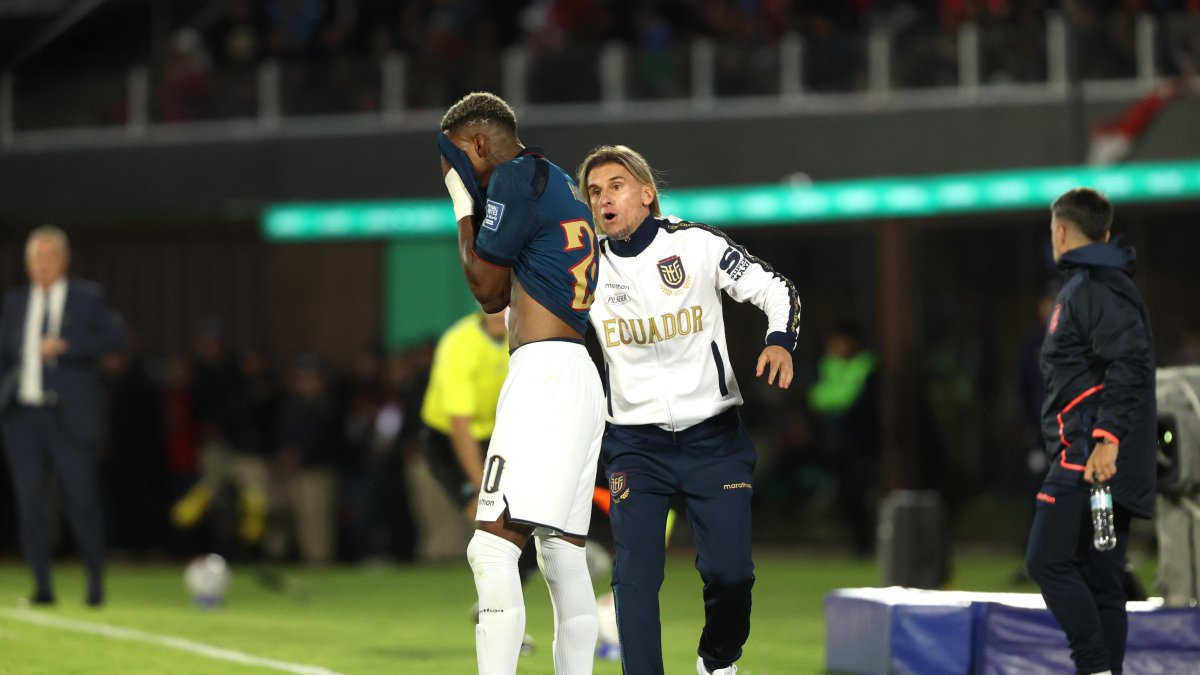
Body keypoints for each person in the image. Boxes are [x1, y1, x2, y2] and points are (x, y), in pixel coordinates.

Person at [577, 145, 801, 675]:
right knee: (634, 577)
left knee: (731, 575)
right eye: (593, 192)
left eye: (615, 185)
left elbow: (776, 290)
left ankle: (718, 658)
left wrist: (779, 341)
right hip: (634, 445)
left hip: (713, 438)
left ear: (646, 192)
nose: (603, 198)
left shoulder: (697, 244)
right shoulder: (584, 269)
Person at [438, 91, 604, 674]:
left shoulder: (513, 178)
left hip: (544, 375)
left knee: (489, 549)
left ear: (480, 143)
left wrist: (462, 199)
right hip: (580, 374)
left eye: (459, 157)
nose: (458, 169)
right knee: (561, 554)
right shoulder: (553, 179)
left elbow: (487, 291)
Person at [1025, 188, 1156, 675]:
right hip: (1098, 460)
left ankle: (1095, 666)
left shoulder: (1095, 287)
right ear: (1104, 230)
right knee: (1103, 584)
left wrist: (1107, 439)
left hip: (1087, 459)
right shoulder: (1100, 282)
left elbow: (1130, 364)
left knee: (1046, 561)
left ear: (1061, 231)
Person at [0, 225, 127, 606]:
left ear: (64, 260)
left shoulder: (88, 298)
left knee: (82, 502)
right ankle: (42, 588)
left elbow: (115, 340)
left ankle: (94, 586)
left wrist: (67, 346)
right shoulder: (15, 303)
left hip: (70, 418)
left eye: (49, 256)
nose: (42, 264)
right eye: (35, 257)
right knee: (31, 506)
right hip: (24, 416)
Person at [419, 308, 538, 654]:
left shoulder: (520, 338)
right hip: (447, 443)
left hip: (494, 441)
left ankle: (494, 614)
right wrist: (482, 489)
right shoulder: (459, 343)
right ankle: (497, 621)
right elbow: (460, 426)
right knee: (491, 527)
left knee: (524, 532)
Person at [807, 320, 879, 557]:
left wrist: (835, 400)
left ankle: (868, 545)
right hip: (837, 444)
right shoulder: (829, 365)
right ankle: (858, 545)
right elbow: (816, 398)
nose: (833, 346)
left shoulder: (867, 366)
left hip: (862, 443)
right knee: (847, 495)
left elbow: (855, 402)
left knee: (861, 493)